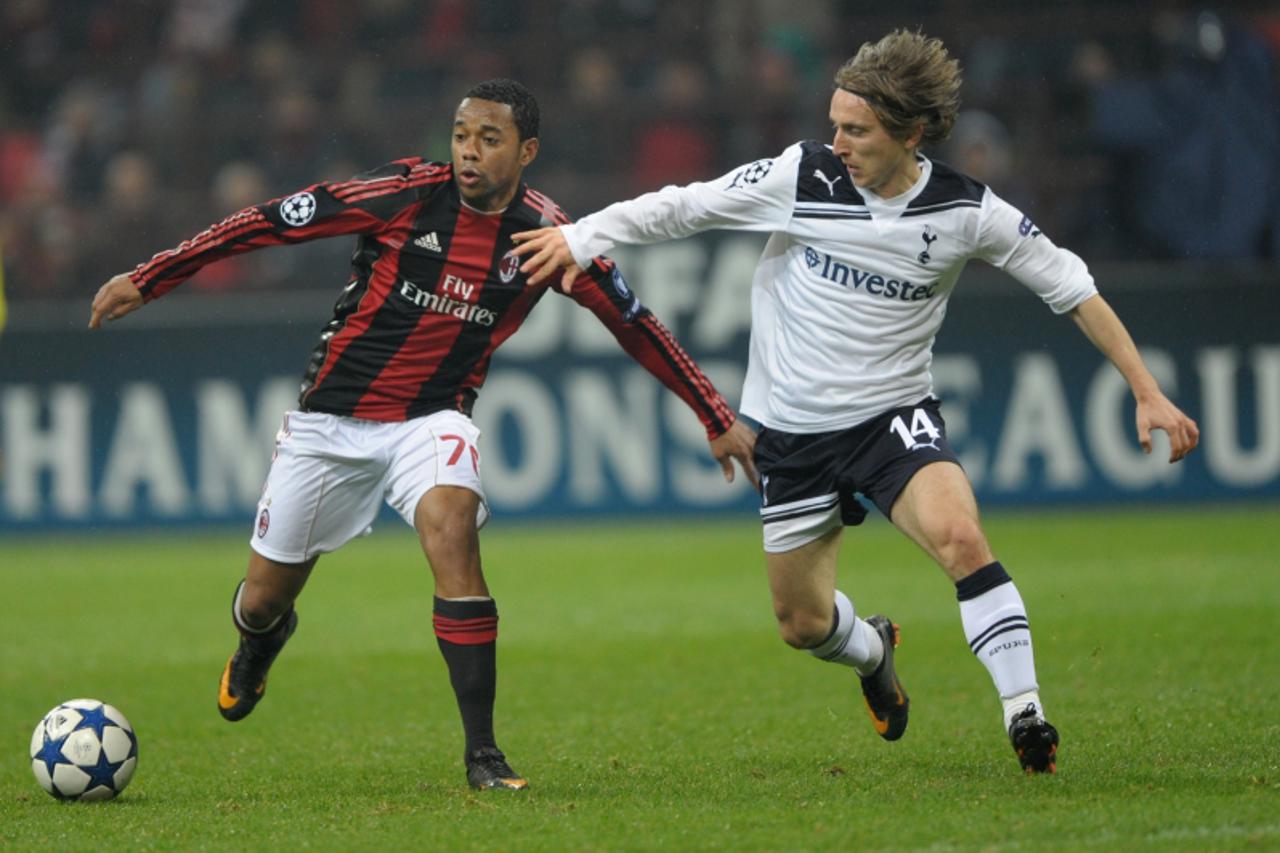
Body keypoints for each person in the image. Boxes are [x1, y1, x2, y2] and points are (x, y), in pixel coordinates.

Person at [512, 32, 1200, 775]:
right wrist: (579, 237)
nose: (836, 140)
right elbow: (685, 207)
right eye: (835, 122)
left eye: (856, 129)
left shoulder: (967, 211)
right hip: (794, 432)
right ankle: (873, 649)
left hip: (892, 420)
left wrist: (1146, 387)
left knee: (961, 538)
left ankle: (1025, 712)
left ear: (911, 133)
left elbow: (1072, 286)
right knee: (803, 623)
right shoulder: (802, 174)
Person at [88, 78, 757, 791]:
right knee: (261, 599)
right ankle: (262, 640)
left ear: (526, 150)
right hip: (328, 425)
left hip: (432, 419)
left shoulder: (545, 235)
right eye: (462, 136)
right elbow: (270, 220)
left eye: (489, 140)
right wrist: (151, 276)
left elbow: (630, 318)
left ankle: (484, 755)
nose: (469, 152)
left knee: (452, 528)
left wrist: (713, 411)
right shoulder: (404, 193)